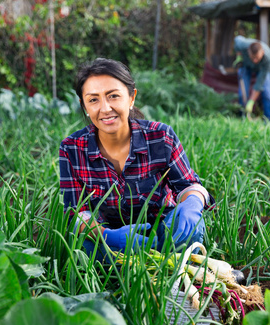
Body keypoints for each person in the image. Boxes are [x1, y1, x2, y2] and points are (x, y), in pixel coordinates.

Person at [59, 58, 212, 259]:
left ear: (131, 98)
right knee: (84, 248)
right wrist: (106, 235)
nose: (105, 108)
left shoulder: (161, 137)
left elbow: (188, 185)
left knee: (191, 229)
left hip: (163, 232)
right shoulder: (71, 148)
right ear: (84, 106)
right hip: (109, 237)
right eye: (93, 99)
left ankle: (174, 276)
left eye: (113, 96)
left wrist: (192, 203)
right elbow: (76, 212)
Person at [233, 35, 270, 124]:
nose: (255, 60)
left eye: (257, 57)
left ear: (262, 52)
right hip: (245, 66)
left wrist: (251, 101)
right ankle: (244, 118)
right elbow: (237, 39)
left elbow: (259, 84)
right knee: (242, 93)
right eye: (253, 57)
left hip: (262, 69)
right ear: (248, 51)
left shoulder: (268, 58)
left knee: (267, 93)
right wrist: (239, 56)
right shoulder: (243, 45)